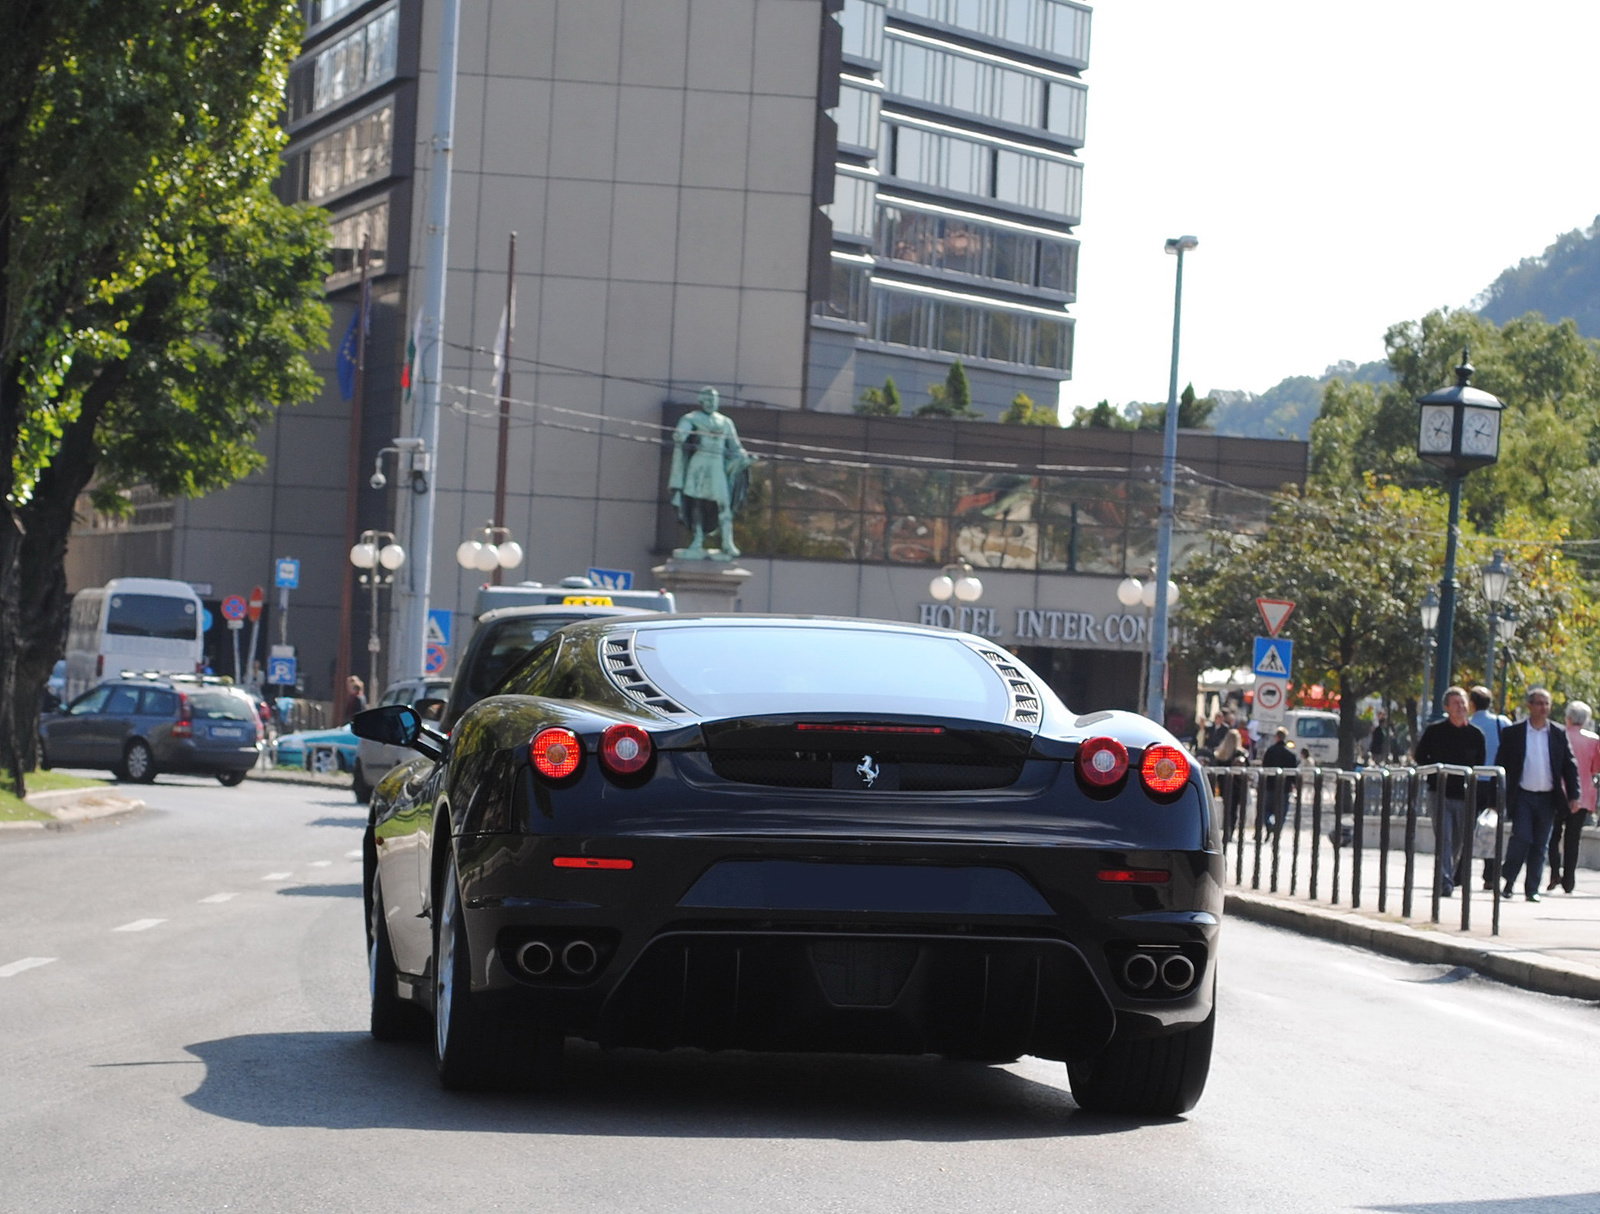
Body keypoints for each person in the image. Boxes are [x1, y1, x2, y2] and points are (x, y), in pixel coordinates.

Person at [1496, 687, 1581, 903]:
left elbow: (1569, 766)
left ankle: (1531, 888)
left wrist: (1574, 794)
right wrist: (1496, 797)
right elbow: (1501, 764)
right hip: (1523, 795)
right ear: (1529, 706)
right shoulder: (1513, 733)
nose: (1543, 708)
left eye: (1546, 704)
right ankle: (1509, 879)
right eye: (1539, 703)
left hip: (1547, 798)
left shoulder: (1557, 733)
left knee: (1540, 845)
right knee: (1522, 838)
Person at [1412, 686, 1486, 898]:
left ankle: (1448, 874)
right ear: (1446, 707)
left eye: (1463, 703)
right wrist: (1436, 772)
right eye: (1455, 703)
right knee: (1443, 837)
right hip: (1440, 792)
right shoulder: (1435, 731)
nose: (1460, 707)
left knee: (1458, 841)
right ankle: (1444, 882)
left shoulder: (1476, 735)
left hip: (1464, 796)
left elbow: (1479, 765)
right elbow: (1420, 756)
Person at [1550, 700, 1600, 893]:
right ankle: (1569, 880)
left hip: (1557, 792)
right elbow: (1596, 767)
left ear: (1568, 717)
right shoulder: (1593, 740)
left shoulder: (1559, 735)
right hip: (1583, 794)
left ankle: (1555, 871)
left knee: (1553, 835)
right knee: (1573, 837)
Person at [1469, 686, 1512, 889]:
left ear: (1472, 703)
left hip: (1473, 781)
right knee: (1493, 829)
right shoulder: (1501, 723)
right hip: (1496, 781)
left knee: (1469, 827)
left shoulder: (1469, 723)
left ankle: (1461, 871)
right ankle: (1491, 875)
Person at [1260, 726, 1297, 833]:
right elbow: (1293, 772)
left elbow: (1265, 766)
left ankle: (1269, 823)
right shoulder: (1291, 754)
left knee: (1267, 810)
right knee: (1282, 811)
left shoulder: (1270, 751)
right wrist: (1294, 784)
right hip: (1284, 787)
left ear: (1276, 737)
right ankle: (1277, 830)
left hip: (1270, 785)